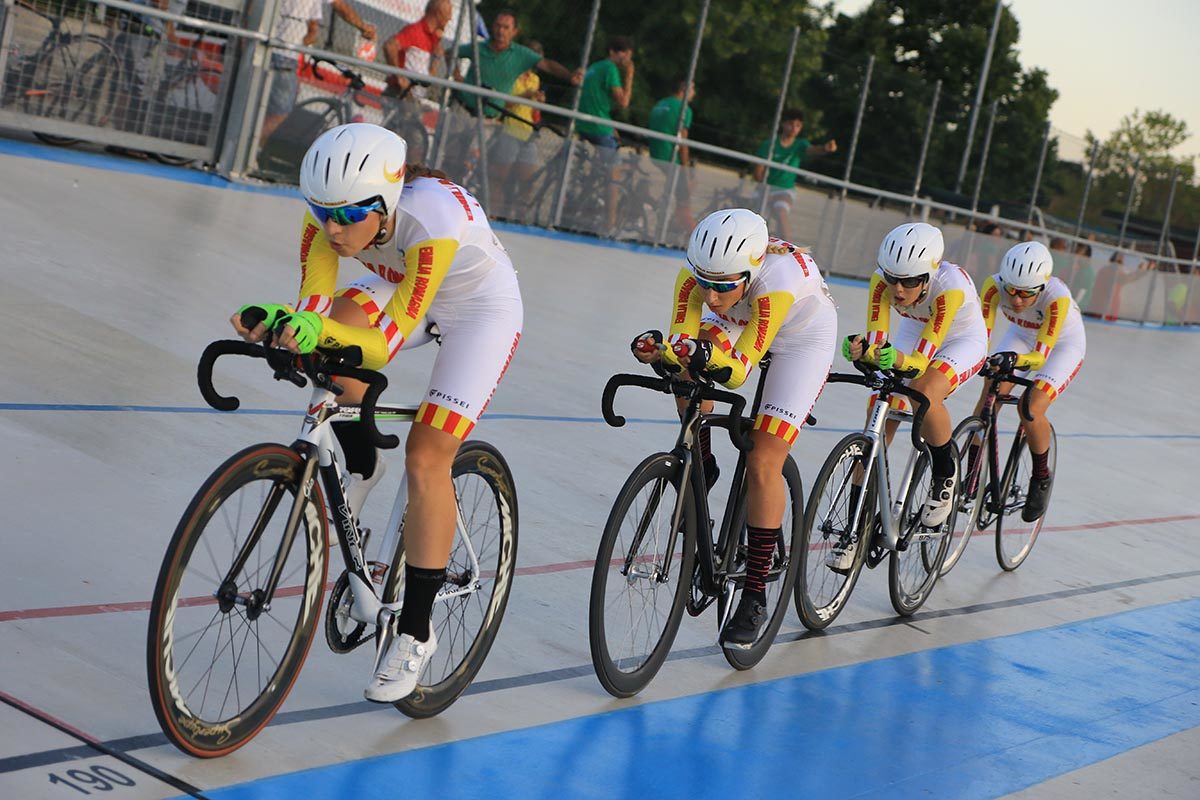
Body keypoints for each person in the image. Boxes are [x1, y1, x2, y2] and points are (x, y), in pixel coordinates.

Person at [230, 123, 522, 703]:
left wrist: (315, 326)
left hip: (479, 312)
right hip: (405, 285)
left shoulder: (432, 220)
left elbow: (386, 341)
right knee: (329, 343)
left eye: (345, 216)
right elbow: (315, 308)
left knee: (427, 454)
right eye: (320, 213)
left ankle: (415, 632)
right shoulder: (331, 220)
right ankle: (361, 467)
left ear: (384, 202)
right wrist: (282, 319)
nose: (332, 229)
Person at [630, 209, 837, 646]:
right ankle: (701, 463)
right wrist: (662, 352)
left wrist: (692, 354)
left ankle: (755, 591)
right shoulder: (699, 279)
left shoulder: (777, 282)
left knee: (763, 458)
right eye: (703, 281)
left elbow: (738, 371)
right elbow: (683, 342)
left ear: (751, 271)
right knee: (687, 367)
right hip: (738, 324)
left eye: (723, 285)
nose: (709, 293)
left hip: (800, 340)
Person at [841, 222, 987, 566]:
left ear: (929, 274)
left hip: (960, 340)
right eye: (892, 279)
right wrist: (863, 350)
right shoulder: (883, 282)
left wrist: (897, 359)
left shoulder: (948, 288)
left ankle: (944, 475)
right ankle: (856, 523)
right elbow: (878, 340)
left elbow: (920, 360)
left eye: (909, 282)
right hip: (915, 329)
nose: (898, 289)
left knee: (923, 390)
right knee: (880, 398)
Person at [974, 241, 1085, 521]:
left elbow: (1038, 358)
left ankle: (1041, 476)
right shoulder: (992, 286)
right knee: (991, 390)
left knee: (1030, 407)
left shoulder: (1056, 297)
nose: (1016, 300)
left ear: (1042, 286)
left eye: (1026, 293)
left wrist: (1009, 360)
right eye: (1011, 290)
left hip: (1061, 346)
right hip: (1021, 337)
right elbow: (980, 338)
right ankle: (970, 469)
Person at [260, 0, 376, 144]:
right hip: (285, 52)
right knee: (279, 112)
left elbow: (313, 27)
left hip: (262, 42)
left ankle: (246, 146)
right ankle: (250, 147)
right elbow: (340, 8)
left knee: (258, 103)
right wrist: (364, 27)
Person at [453, 9, 581, 117]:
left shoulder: (521, 54)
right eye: (498, 25)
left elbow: (548, 65)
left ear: (515, 32)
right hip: (462, 110)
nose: (500, 31)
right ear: (492, 26)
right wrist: (456, 75)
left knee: (477, 147)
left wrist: (569, 77)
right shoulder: (478, 47)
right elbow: (450, 53)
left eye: (506, 27)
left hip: (489, 118)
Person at [576, 35, 635, 233]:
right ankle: (610, 225)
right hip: (597, 128)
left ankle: (586, 205)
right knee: (614, 175)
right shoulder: (610, 68)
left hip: (585, 124)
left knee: (603, 164)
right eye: (624, 55)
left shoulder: (596, 66)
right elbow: (623, 102)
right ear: (613, 52)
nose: (625, 60)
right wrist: (629, 75)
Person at [753, 109, 836, 242]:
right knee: (756, 216)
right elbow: (758, 172)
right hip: (765, 187)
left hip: (784, 189)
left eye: (798, 125)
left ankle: (788, 248)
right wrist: (765, 189)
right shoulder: (769, 144)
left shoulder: (800, 144)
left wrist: (825, 148)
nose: (794, 128)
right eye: (791, 124)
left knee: (781, 211)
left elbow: (813, 150)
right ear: (783, 124)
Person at [488, 40, 545, 217]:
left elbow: (533, 110)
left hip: (527, 132)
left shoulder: (535, 80)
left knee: (528, 179)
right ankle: (495, 212)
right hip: (510, 130)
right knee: (501, 176)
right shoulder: (511, 75)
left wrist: (539, 104)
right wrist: (524, 96)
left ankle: (518, 215)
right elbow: (503, 101)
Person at [647, 75, 697, 229]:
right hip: (670, 157)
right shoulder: (684, 108)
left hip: (655, 154)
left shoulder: (661, 103)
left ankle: (670, 221)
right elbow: (683, 143)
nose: (694, 93)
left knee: (676, 190)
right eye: (693, 89)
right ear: (685, 90)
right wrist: (686, 169)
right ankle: (688, 230)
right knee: (685, 194)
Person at [383, 0, 452, 100]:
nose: (449, 18)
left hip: (414, 96)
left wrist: (436, 59)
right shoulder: (415, 31)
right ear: (438, 14)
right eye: (448, 14)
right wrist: (399, 77)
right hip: (400, 94)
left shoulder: (434, 39)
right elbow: (389, 46)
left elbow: (428, 74)